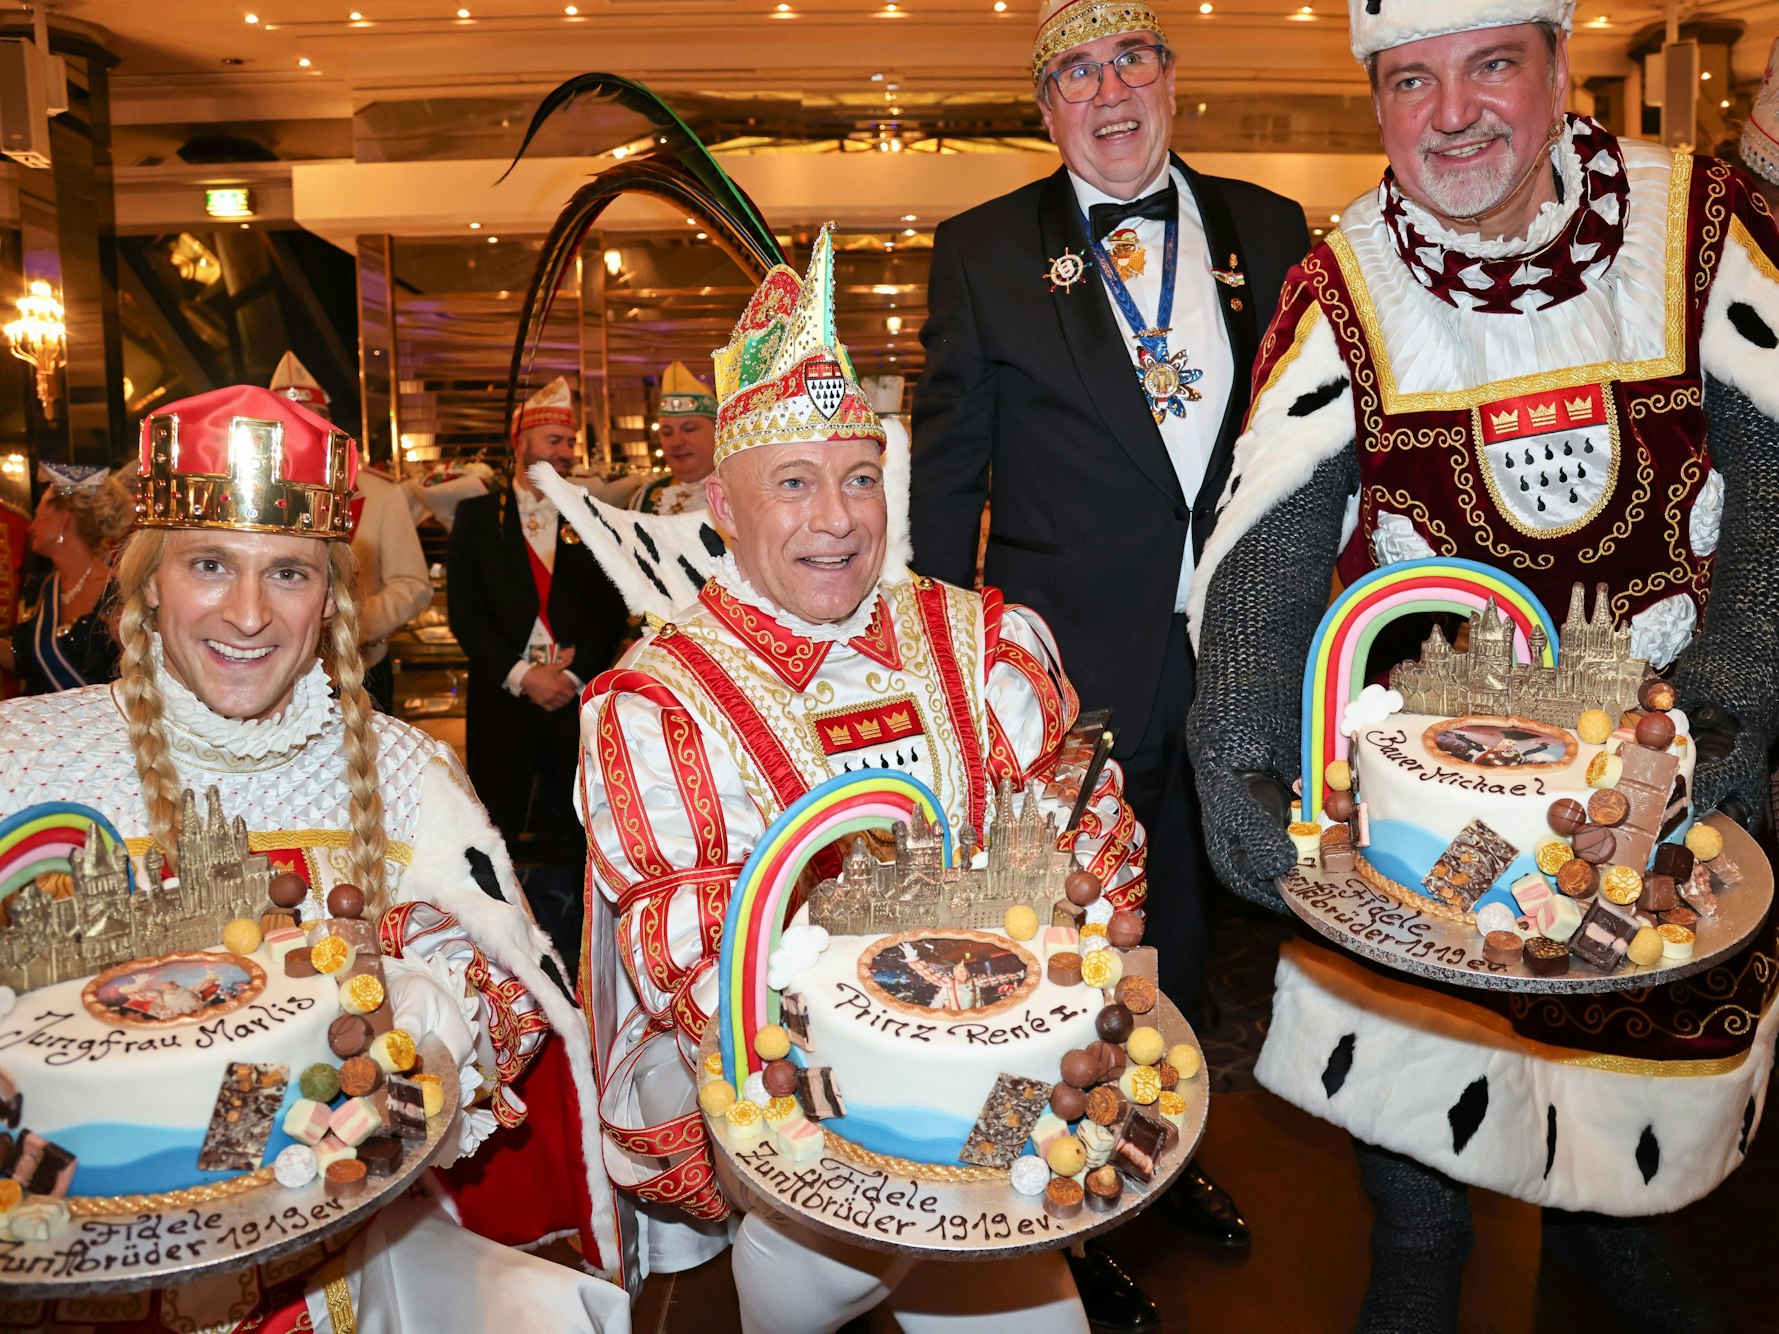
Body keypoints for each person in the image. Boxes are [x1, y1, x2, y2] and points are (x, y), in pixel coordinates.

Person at [1187, 3, 1779, 1329]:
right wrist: (1233, 742)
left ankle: (1607, 1235)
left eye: (1489, 64)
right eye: (1410, 79)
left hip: (1654, 791)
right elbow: (1270, 551)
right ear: (1375, 99)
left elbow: (1773, 470)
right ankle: (1414, 1243)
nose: (1450, 111)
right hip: (1429, 803)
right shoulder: (1345, 281)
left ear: (1557, 66)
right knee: (1418, 1110)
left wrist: (1735, 689)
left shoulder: (1688, 230)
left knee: (1629, 1091)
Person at [548, 225, 1145, 1332]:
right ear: (723, 509)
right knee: (809, 1287)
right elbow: (689, 939)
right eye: (794, 483)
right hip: (803, 1122)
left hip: (1001, 1088)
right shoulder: (660, 698)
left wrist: (1076, 933)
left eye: (860, 477)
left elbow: (1079, 814)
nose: (837, 517)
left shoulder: (980, 638)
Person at [0, 385, 623, 1330]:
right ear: (148, 579)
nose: (249, 614)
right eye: (210, 563)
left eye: (289, 572)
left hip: (339, 1281)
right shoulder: (25, 759)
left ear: (330, 595)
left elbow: (516, 1001)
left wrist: (439, 1020)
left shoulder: (411, 773)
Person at [910, 0, 1305, 1275]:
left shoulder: (1269, 226)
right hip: (1069, 662)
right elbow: (946, 477)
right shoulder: (981, 250)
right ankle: (1065, 1192)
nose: (1110, 88)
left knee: (1192, 922)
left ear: (1171, 79)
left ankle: (1164, 1147)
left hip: (1242, 647)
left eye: (1132, 58)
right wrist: (940, 655)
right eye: (1077, 71)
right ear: (1047, 107)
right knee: (1075, 921)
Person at [446, 377, 630, 970]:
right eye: (553, 438)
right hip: (504, 706)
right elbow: (464, 613)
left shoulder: (593, 516)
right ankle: (497, 958)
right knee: (489, 831)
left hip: (573, 706)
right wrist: (524, 674)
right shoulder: (476, 517)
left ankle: (581, 959)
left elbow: (614, 610)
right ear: (519, 441)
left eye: (569, 444)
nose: (564, 453)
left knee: (580, 832)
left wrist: (576, 680)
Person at [270, 351, 432, 714]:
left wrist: (353, 625)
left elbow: (413, 585)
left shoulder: (382, 493)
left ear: (330, 426)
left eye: (311, 422)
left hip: (360, 670)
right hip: (269, 674)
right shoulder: (248, 501)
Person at [0, 463, 132, 693]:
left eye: (40, 515)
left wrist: (126, 646)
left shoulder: (121, 592)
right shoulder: (40, 588)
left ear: (63, 520)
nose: (31, 527)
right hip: (39, 725)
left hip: (99, 726)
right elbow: (25, 663)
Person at [630, 360, 717, 515]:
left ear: (717, 432)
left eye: (689, 429)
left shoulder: (740, 493)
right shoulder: (646, 498)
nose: (676, 442)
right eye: (667, 432)